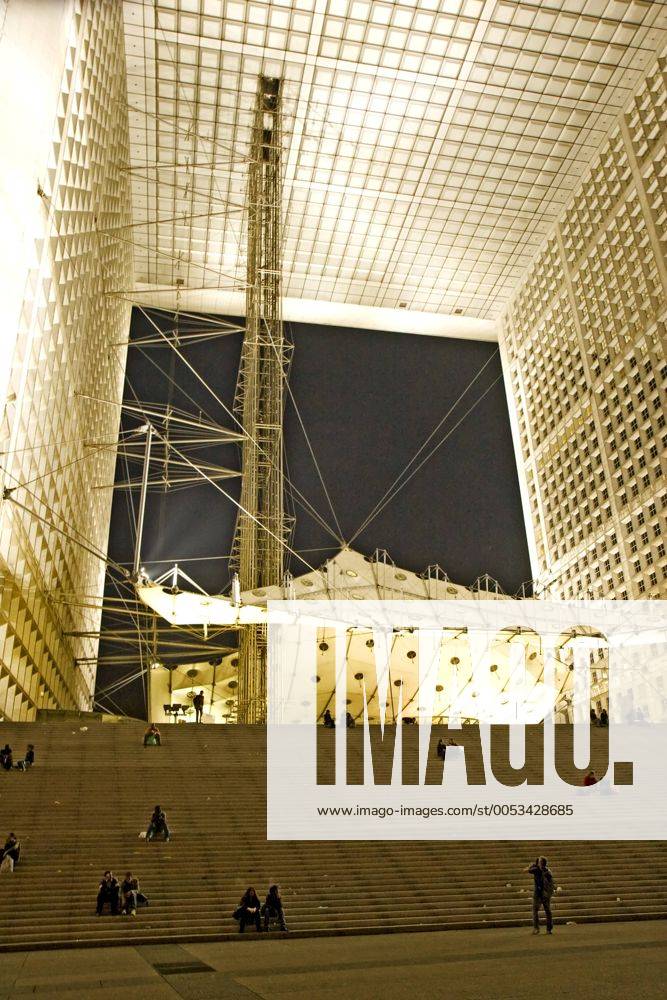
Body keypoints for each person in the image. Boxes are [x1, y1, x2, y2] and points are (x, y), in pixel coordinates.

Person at [524, 856, 554, 934]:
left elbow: (527, 870)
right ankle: (548, 929)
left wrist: (531, 866)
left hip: (539, 893)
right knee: (547, 911)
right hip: (544, 893)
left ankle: (537, 928)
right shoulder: (547, 871)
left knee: (536, 910)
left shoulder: (537, 870)